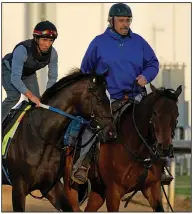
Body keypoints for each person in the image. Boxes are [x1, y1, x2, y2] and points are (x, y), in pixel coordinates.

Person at [71, 3, 173, 185]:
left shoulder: (139, 42)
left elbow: (153, 63)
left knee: (154, 121)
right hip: (109, 98)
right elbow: (86, 71)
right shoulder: (98, 43)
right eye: (121, 20)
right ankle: (82, 165)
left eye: (128, 20)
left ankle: (161, 165)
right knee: (93, 126)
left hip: (137, 96)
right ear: (111, 21)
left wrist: (146, 76)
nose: (125, 24)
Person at [2, 20, 58, 123]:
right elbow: (15, 79)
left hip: (28, 74)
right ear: (36, 39)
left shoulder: (53, 54)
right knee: (14, 96)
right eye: (44, 40)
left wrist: (48, 96)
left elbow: (52, 77)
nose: (47, 44)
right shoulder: (22, 50)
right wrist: (30, 96)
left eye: (51, 41)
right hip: (8, 70)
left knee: (38, 102)